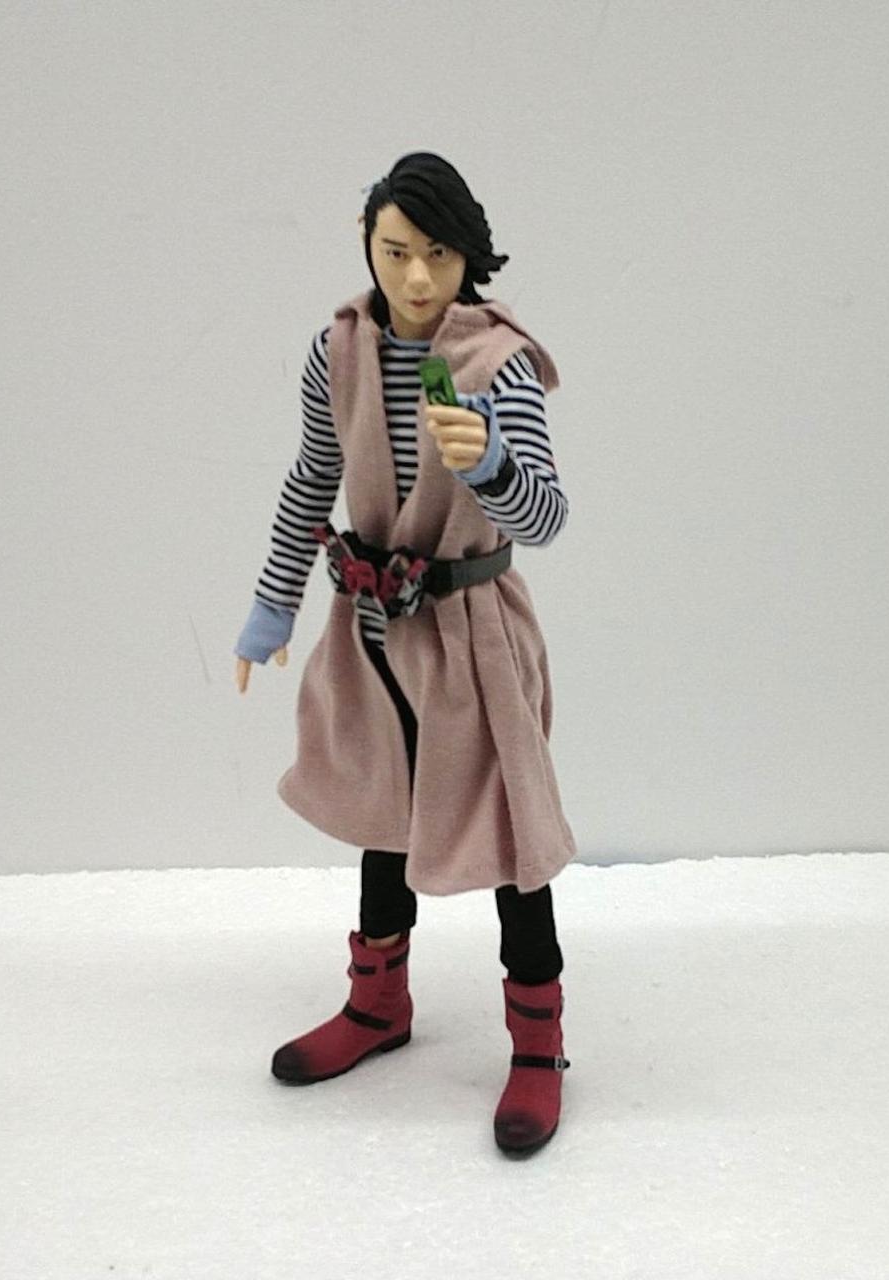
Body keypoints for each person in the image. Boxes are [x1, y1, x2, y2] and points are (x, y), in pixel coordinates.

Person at [233, 152, 575, 1157]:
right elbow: (312, 477)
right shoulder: (338, 351)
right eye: (395, 252)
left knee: (511, 833)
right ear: (365, 242)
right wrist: (272, 604)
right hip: (373, 626)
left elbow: (547, 516)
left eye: (437, 254)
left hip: (473, 632)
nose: (417, 277)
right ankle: (377, 1002)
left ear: (467, 254)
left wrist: (493, 462)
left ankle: (539, 1043)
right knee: (382, 811)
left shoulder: (497, 364)